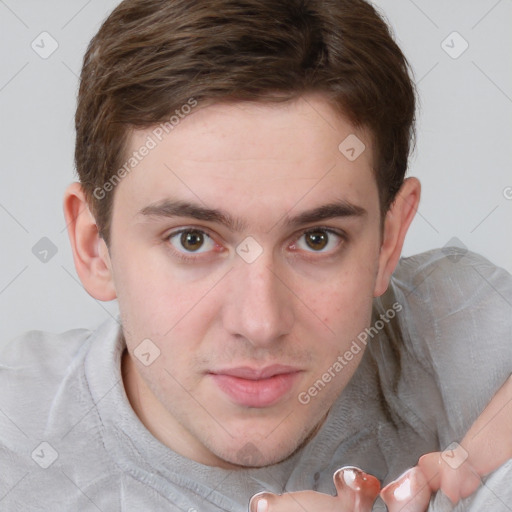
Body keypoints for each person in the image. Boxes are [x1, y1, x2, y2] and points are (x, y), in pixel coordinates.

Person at [0, 0, 510, 510]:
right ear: (94, 247)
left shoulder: (460, 336)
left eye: (316, 239)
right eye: (192, 240)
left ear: (388, 241)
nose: (260, 322)